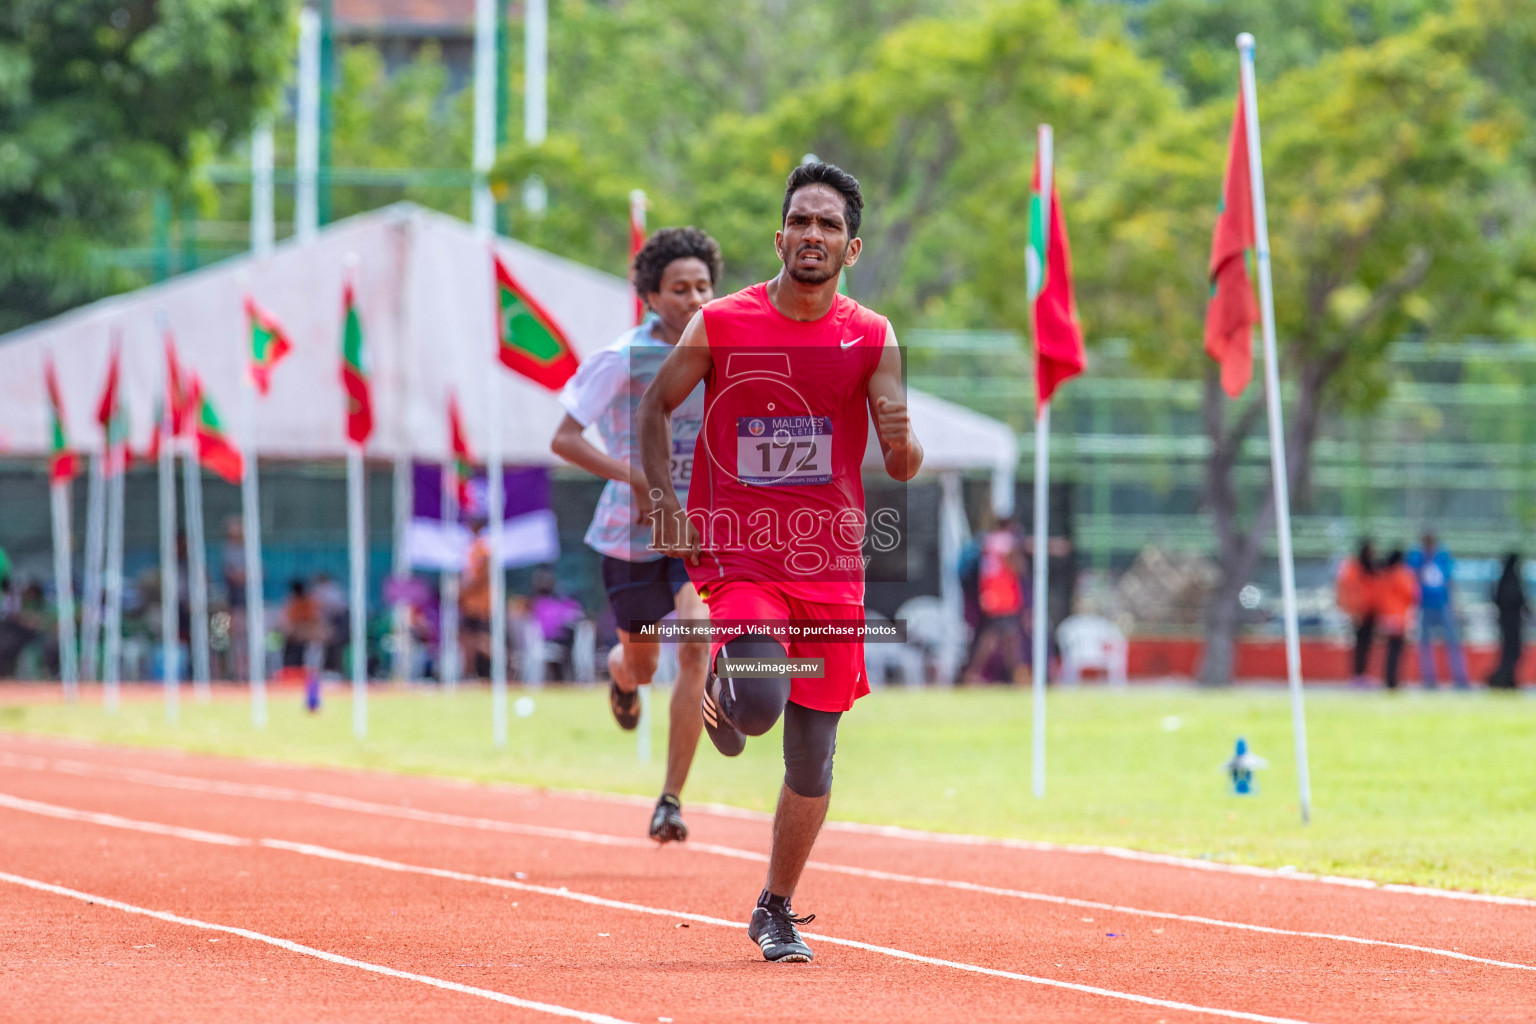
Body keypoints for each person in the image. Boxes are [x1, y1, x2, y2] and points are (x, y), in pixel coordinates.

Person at [639, 162, 923, 963]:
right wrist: (664, 504)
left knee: (813, 755)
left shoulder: (872, 336)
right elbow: (656, 407)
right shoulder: (723, 322)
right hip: (742, 558)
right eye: (801, 220)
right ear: (780, 235)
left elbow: (900, 461)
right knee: (761, 700)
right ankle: (730, 699)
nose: (812, 235)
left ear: (852, 246)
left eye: (828, 225)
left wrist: (902, 446)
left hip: (831, 565)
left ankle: (775, 906)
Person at [550, 227, 721, 843]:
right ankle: (621, 677)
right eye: (680, 288)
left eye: (704, 286)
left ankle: (670, 800)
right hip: (630, 534)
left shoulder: (725, 350)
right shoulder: (622, 357)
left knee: (697, 640)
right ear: (651, 295)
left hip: (697, 529)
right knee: (645, 664)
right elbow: (564, 438)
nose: (695, 298)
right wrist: (639, 477)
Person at [962, 517, 1027, 684]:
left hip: (992, 594)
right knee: (1000, 636)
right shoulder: (1005, 542)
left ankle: (1015, 673)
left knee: (1002, 636)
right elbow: (1017, 566)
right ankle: (976, 673)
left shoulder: (989, 541)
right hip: (1003, 596)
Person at [1408, 533, 1469, 689]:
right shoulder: (1416, 557)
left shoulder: (1443, 556)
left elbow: (1450, 580)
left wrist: (1456, 604)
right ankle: (1429, 680)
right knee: (1425, 645)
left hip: (1443, 604)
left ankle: (1460, 679)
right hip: (1424, 605)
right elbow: (1411, 578)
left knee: (1453, 643)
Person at [1335, 540, 1378, 686]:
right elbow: (1349, 590)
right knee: (1359, 645)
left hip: (1369, 612)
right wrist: (1352, 610)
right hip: (1358, 613)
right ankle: (1357, 675)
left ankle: (1362, 674)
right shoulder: (1354, 567)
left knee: (1366, 645)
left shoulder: (1371, 567)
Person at [1375, 549, 1417, 691]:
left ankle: (1389, 679)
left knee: (1390, 651)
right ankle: (1393, 681)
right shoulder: (1402, 574)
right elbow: (1411, 595)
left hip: (1387, 616)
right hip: (1399, 617)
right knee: (1396, 651)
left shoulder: (1385, 574)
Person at [459, 518, 492, 679]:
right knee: (467, 639)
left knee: (479, 639)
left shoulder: (483, 547)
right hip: (469, 603)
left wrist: (466, 591)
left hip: (479, 604)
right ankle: (469, 671)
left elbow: (484, 575)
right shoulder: (470, 547)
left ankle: (505, 663)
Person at [1489, 552, 1526, 690]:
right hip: (1511, 623)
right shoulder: (1512, 581)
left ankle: (1507, 678)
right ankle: (1503, 679)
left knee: (1511, 652)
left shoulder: (1504, 579)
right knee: (1510, 652)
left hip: (1508, 623)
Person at [220, 518, 248, 679]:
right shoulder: (228, 551)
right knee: (235, 636)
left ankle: (245, 669)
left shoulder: (248, 549)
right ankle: (236, 670)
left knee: (246, 636)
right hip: (235, 600)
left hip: (247, 601)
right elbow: (232, 575)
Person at [278, 579, 324, 670]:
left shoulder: (309, 602)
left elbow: (314, 620)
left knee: (315, 644)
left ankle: (311, 669)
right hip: (295, 635)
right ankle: (290, 667)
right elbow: (286, 623)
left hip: (307, 633)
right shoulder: (291, 602)